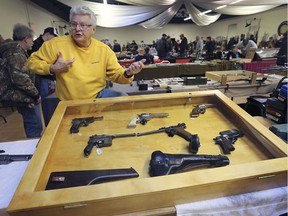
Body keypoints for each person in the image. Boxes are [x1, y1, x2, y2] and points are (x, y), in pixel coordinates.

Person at [27, 5, 145, 101]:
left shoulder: (104, 50)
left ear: (93, 29)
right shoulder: (55, 45)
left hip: (97, 96)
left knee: (125, 99)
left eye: (83, 25)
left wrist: (129, 72)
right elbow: (32, 62)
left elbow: (118, 75)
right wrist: (52, 68)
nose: (77, 29)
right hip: (68, 101)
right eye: (74, 24)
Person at [0, 23, 42, 138]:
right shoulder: (15, 53)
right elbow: (20, 79)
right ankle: (36, 151)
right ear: (26, 39)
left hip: (20, 95)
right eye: (31, 39)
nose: (33, 42)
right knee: (34, 125)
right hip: (23, 96)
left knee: (32, 123)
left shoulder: (13, 51)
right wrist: (36, 94)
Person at [27, 27, 58, 126]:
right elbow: (33, 64)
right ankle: (50, 125)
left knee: (52, 102)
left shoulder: (44, 45)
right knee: (48, 104)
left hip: (49, 77)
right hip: (43, 79)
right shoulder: (37, 45)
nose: (53, 40)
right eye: (53, 36)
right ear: (48, 34)